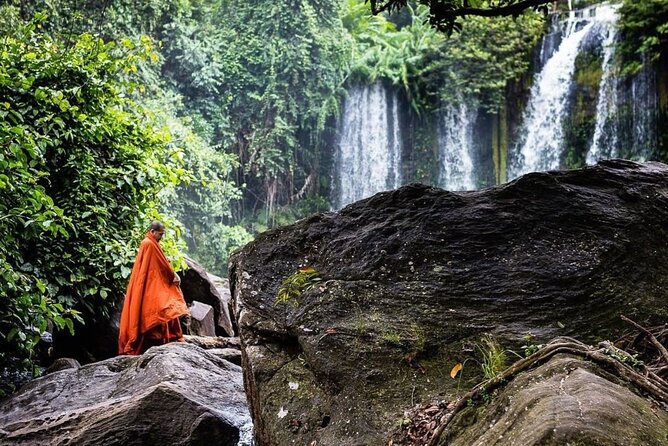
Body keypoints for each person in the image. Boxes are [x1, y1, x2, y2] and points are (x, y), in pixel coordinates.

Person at [118, 221, 189, 355]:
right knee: (159, 306)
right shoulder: (149, 244)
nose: (161, 237)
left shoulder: (149, 243)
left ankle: (157, 341)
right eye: (160, 234)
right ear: (152, 232)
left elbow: (158, 263)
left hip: (149, 282)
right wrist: (173, 275)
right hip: (150, 283)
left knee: (157, 308)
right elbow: (160, 266)